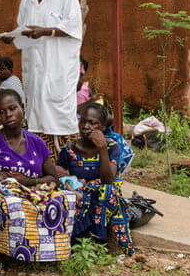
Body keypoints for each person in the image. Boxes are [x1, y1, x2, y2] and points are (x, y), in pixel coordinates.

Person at [0, 90, 74, 275]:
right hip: (4, 202)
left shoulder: (37, 143)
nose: (8, 114)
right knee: (12, 204)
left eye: (12, 108)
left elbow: (53, 179)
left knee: (66, 198)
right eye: (1, 112)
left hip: (33, 196)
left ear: (23, 109)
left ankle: (49, 251)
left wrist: (27, 182)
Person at [0, 0, 82, 163]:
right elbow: (24, 28)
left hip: (58, 70)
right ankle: (41, 164)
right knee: (36, 112)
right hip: (34, 68)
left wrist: (46, 31)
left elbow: (73, 28)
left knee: (58, 114)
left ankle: (66, 164)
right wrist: (13, 36)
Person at [56, 103, 133, 255]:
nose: (85, 126)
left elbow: (108, 179)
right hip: (79, 195)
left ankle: (99, 241)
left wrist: (102, 148)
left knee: (107, 190)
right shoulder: (70, 149)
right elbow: (59, 174)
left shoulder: (112, 147)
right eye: (83, 121)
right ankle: (75, 242)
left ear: (103, 127)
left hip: (103, 198)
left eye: (92, 123)